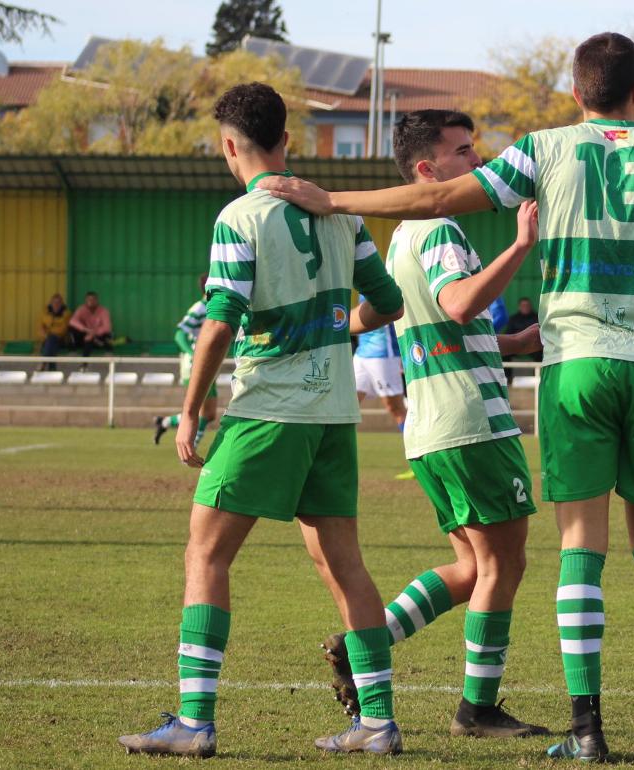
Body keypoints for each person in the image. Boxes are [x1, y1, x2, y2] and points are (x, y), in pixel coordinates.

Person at [259, 31, 634, 763]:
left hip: (576, 364)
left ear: (577, 93)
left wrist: (332, 197)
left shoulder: (544, 149)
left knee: (581, 547)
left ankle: (587, 730)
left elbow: (440, 193)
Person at [117, 82, 406, 758]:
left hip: (267, 412)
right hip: (333, 417)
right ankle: (379, 721)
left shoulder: (239, 218)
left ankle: (193, 722)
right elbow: (387, 303)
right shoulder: (338, 213)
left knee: (206, 553)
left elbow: (218, 323)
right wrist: (330, 335)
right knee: (347, 567)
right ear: (287, 139)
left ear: (228, 146)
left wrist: (190, 411)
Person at [317, 109, 548, 740]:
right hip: (472, 423)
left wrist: (509, 343)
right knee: (504, 566)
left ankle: (365, 642)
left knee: (473, 570)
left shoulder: (404, 240)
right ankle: (478, 708)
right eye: (465, 152)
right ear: (428, 169)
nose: (479, 164)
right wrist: (520, 246)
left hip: (430, 428)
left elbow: (431, 326)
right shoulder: (440, 227)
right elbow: (457, 302)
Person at [154, 276, 218, 449]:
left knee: (210, 413)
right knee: (200, 411)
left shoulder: (215, 308)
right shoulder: (199, 308)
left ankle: (165, 422)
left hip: (209, 363)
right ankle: (189, 450)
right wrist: (194, 354)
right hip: (196, 365)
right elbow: (179, 334)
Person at [353, 296, 408, 430]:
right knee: (347, 406)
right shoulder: (360, 281)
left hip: (383, 355)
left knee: (396, 409)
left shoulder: (388, 278)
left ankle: (416, 446)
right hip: (361, 355)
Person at [68, 291, 113, 356]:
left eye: (93, 299)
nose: (91, 301)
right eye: (89, 299)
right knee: (71, 328)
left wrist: (93, 333)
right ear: (85, 300)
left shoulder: (104, 311)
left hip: (98, 337)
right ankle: (73, 352)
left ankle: (108, 352)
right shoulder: (81, 309)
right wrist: (86, 330)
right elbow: (72, 321)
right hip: (86, 335)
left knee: (108, 335)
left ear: (97, 300)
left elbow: (107, 327)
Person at [38, 293, 70, 370]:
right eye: (54, 302)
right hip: (47, 339)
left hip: (61, 339)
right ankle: (52, 370)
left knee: (52, 339)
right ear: (51, 303)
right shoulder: (45, 313)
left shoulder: (66, 313)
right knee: (51, 343)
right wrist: (45, 335)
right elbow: (40, 327)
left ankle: (43, 363)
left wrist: (49, 333)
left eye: (58, 303)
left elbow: (63, 330)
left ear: (62, 304)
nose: (56, 304)